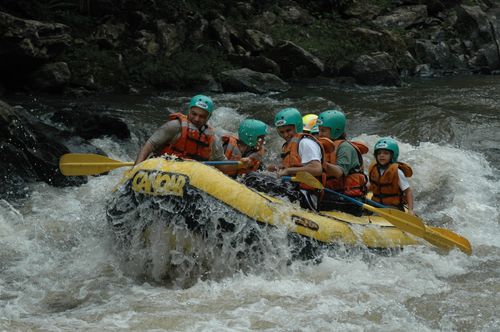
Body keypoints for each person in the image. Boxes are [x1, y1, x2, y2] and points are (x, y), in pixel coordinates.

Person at [243, 107, 324, 210]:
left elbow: (317, 169)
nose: (285, 135)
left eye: (288, 130)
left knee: (252, 179)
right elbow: (296, 166)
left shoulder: (306, 143)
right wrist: (278, 168)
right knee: (254, 175)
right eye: (281, 132)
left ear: (297, 126)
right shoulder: (289, 145)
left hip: (306, 195)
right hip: (294, 188)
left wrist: (288, 170)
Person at [134, 94, 226, 164]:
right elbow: (149, 145)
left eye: (202, 116)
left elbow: (221, 163)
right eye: (194, 114)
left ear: (208, 117)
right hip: (164, 168)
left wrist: (240, 164)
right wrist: (135, 169)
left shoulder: (213, 138)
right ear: (189, 111)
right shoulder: (175, 126)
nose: (197, 119)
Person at [316, 109, 368, 215]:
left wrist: (322, 164)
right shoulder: (323, 146)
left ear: (336, 130)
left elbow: (339, 172)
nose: (320, 134)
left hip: (349, 199)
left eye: (323, 131)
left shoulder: (345, 147)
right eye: (319, 130)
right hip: (332, 192)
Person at [368, 137, 414, 215]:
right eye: (379, 153)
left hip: (392, 207)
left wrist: (410, 210)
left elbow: (408, 191)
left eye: (386, 153)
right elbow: (373, 185)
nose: (381, 156)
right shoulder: (374, 169)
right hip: (376, 203)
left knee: (376, 214)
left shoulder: (397, 172)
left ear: (393, 155)